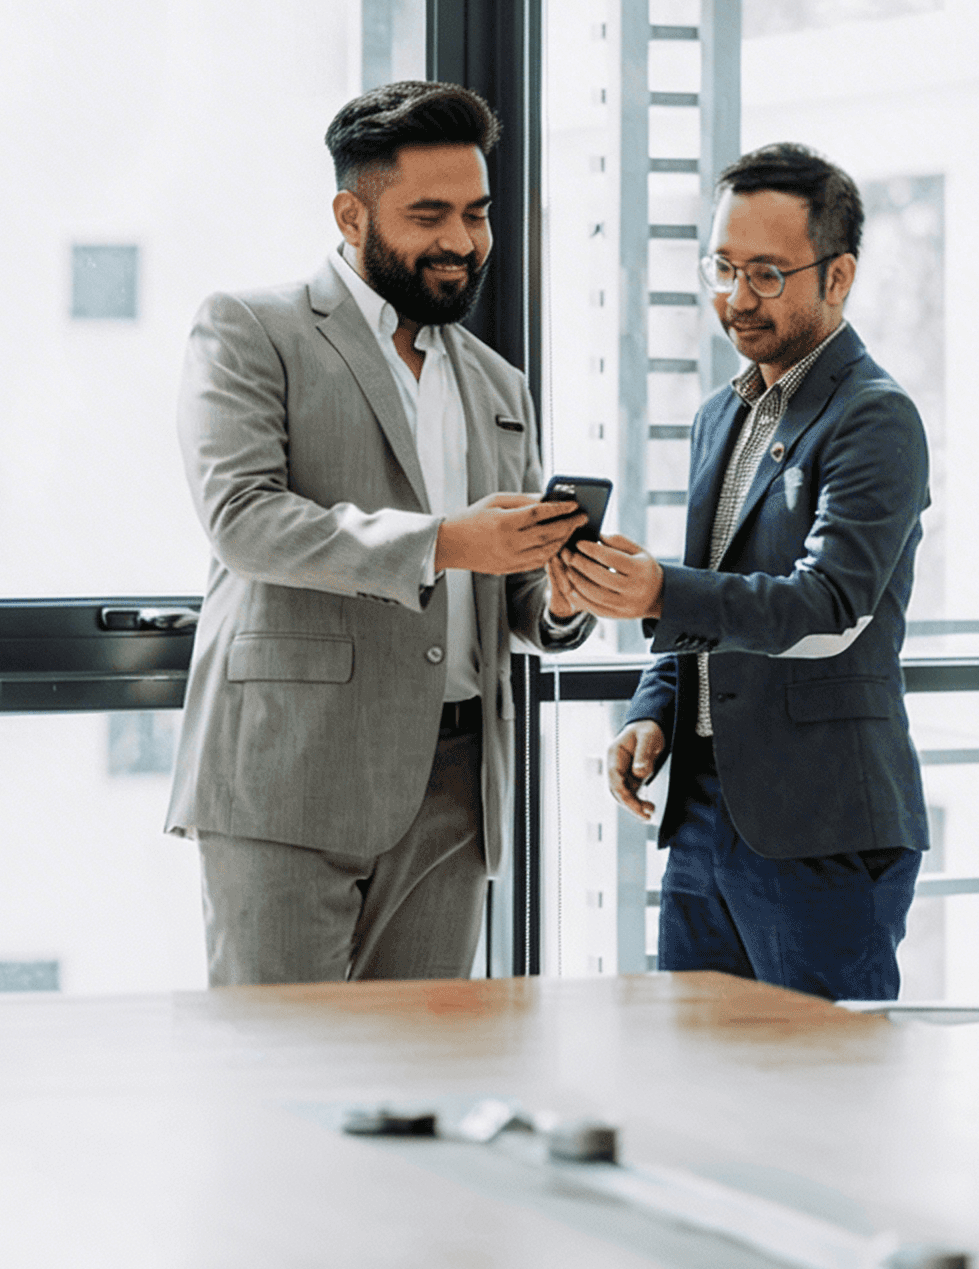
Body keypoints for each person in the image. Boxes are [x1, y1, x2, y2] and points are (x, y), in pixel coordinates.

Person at [165, 79, 592, 988]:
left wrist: (557, 596)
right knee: (282, 1073)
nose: (461, 242)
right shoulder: (251, 330)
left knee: (421, 1084)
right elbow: (244, 519)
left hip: (459, 786)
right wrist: (442, 542)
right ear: (351, 213)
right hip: (292, 769)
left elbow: (507, 593)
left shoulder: (498, 383)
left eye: (476, 213)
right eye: (429, 214)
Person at [563, 142, 929, 1002]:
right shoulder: (720, 417)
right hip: (700, 818)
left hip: (821, 826)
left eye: (765, 274)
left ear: (837, 278)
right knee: (700, 1092)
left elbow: (829, 604)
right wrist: (655, 708)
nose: (734, 299)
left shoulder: (874, 419)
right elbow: (716, 588)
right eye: (722, 268)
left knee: (824, 1108)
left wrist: (657, 590)